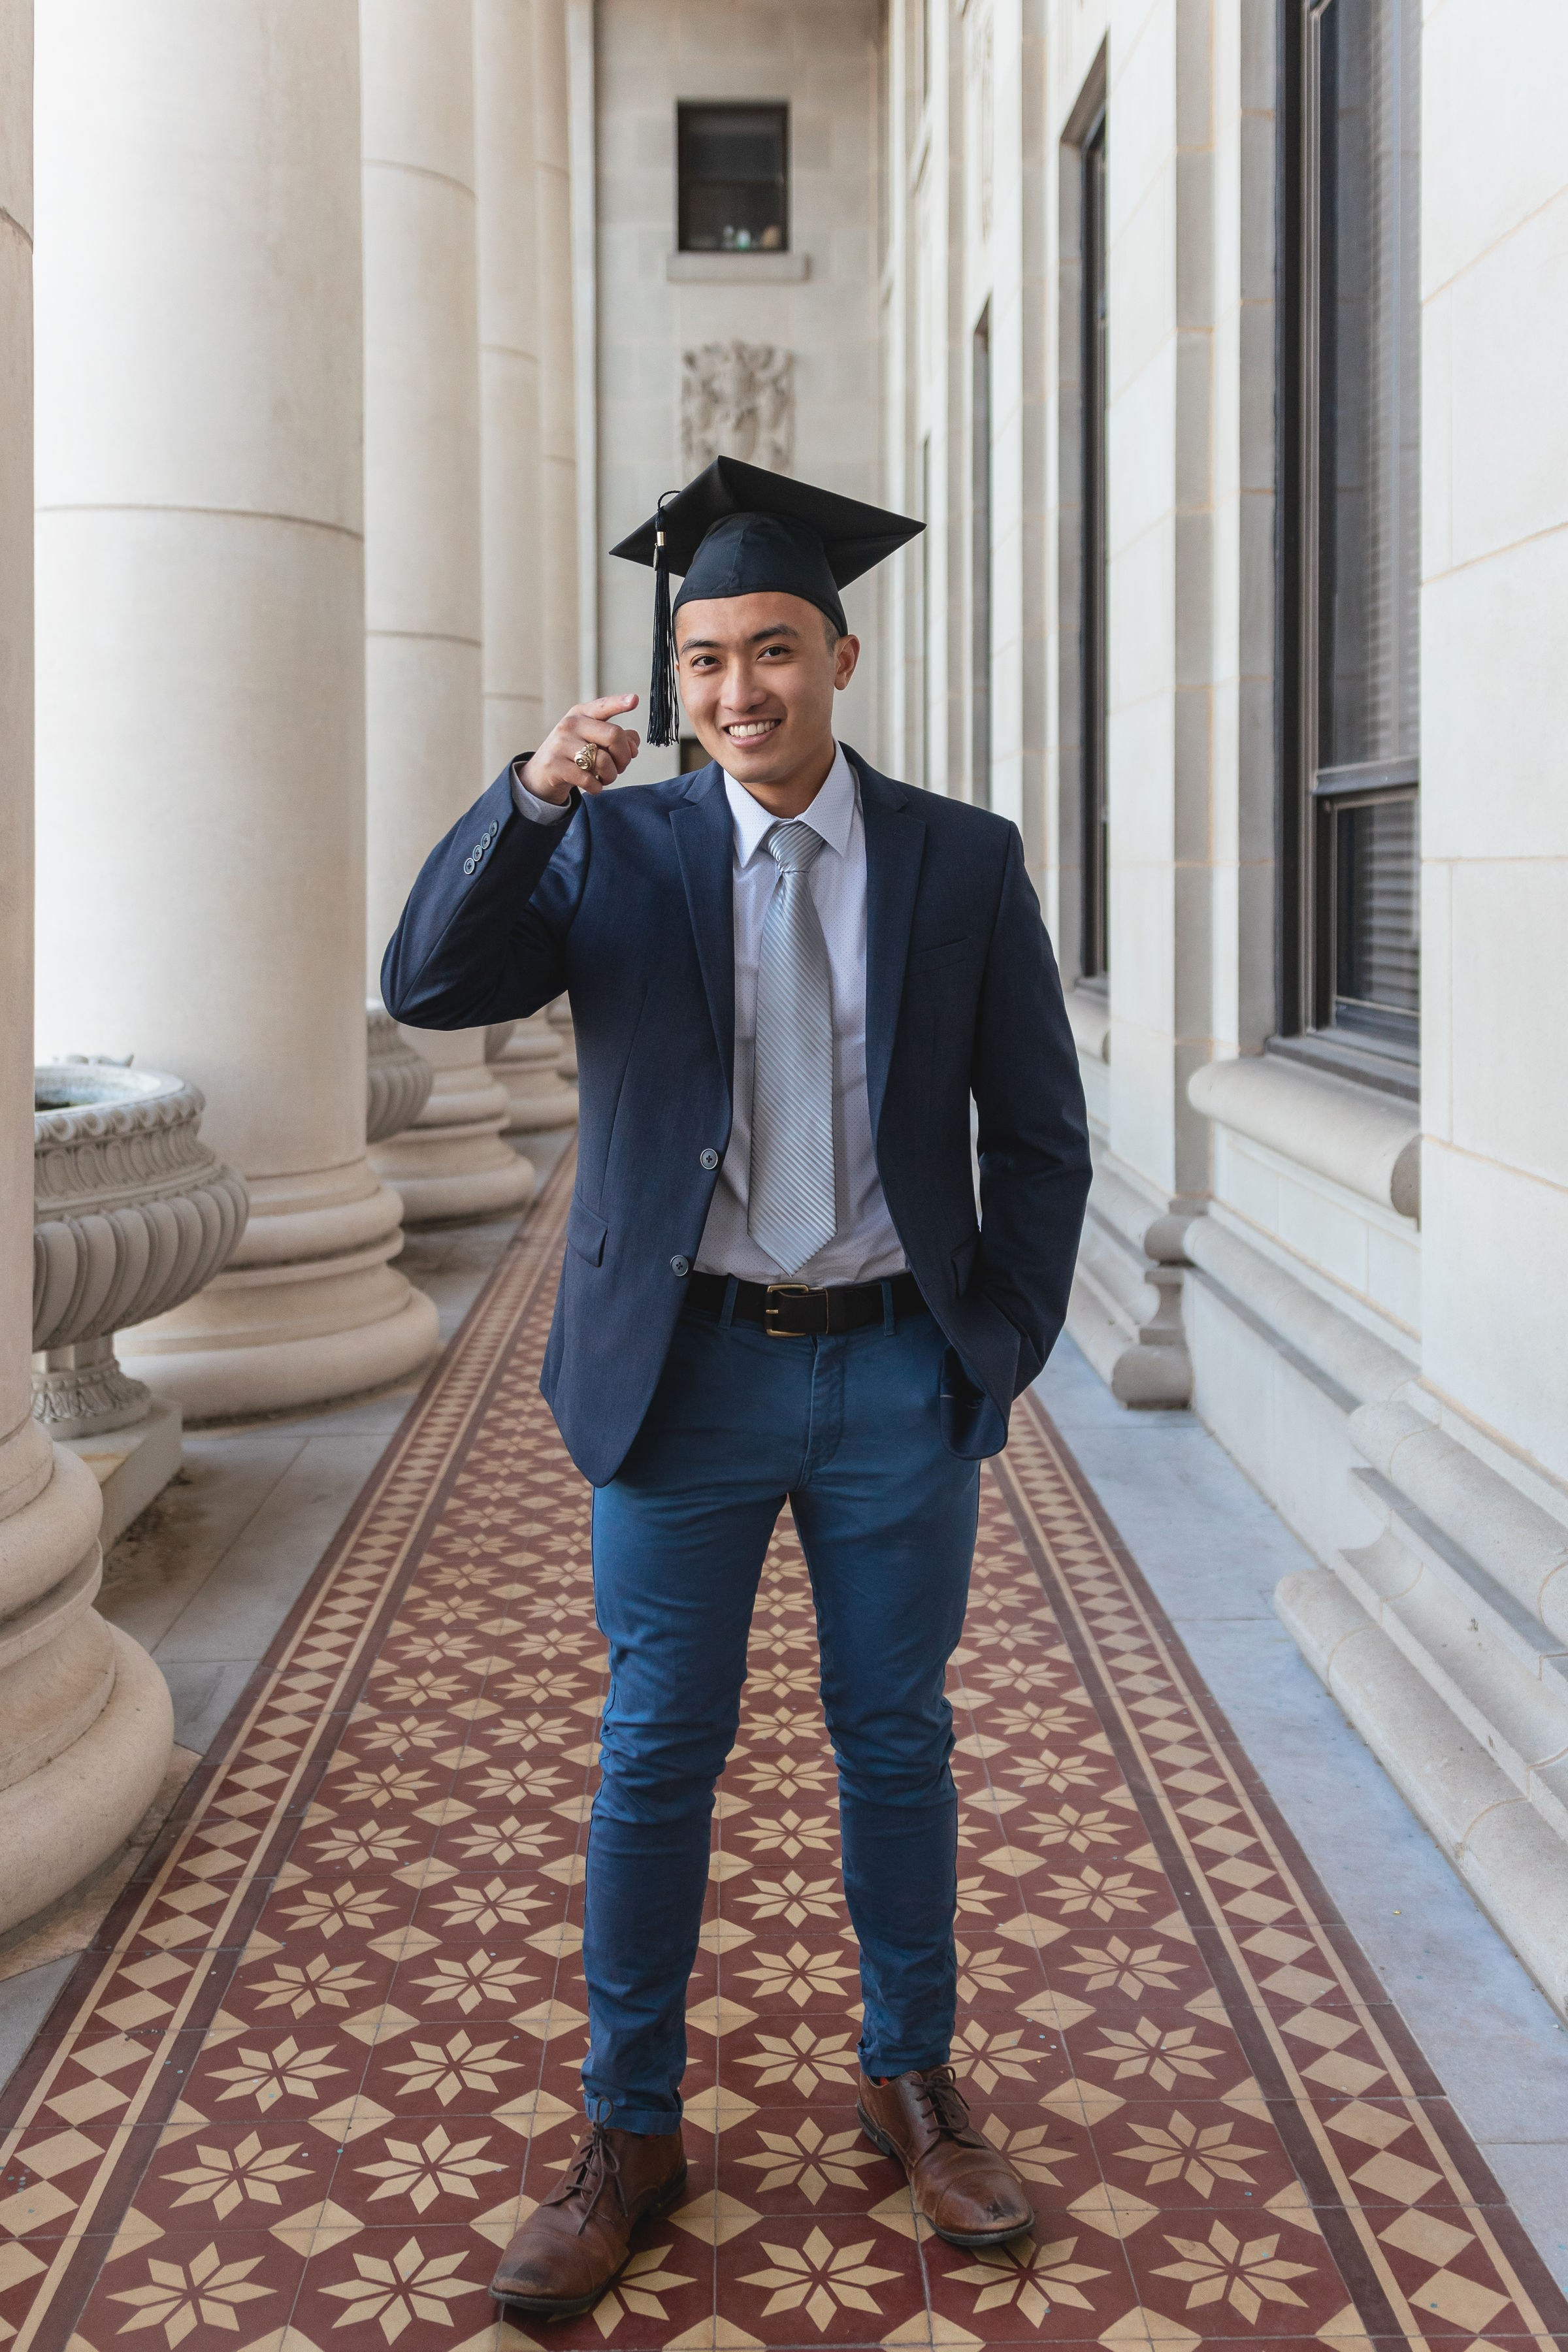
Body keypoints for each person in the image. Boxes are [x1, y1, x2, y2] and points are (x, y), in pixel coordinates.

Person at [382, 457, 1092, 2322]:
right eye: (706, 661)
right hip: (677, 1381)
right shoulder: (618, 848)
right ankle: (629, 2128)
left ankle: (912, 2076)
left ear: (841, 657)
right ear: (676, 678)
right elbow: (429, 982)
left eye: (773, 651)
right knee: (653, 1751)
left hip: (890, 1381)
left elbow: (1041, 1131)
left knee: (898, 1740)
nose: (738, 693)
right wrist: (536, 797)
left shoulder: (960, 858)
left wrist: (994, 1343)